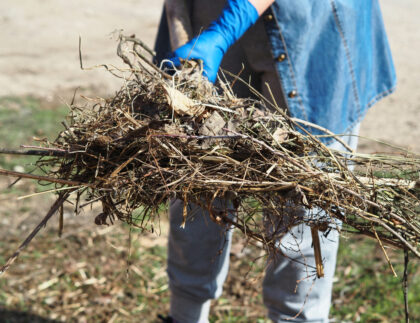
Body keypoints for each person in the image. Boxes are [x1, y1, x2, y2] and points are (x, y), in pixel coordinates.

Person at [154, 0, 396, 322]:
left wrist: (224, 30)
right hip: (209, 15)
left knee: (303, 204)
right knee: (197, 184)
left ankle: (298, 316)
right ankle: (185, 314)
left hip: (313, 26)